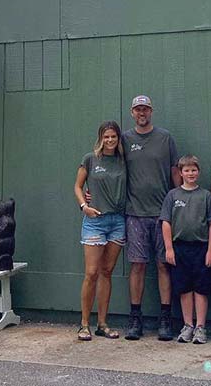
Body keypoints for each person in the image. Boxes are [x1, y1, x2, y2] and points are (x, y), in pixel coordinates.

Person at [122, 95, 181, 341]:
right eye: (137, 109)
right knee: (137, 265)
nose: (141, 113)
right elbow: (111, 170)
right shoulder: (124, 140)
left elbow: (175, 172)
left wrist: (179, 203)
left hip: (162, 215)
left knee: (163, 265)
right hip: (134, 213)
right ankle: (135, 318)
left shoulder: (165, 138)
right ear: (132, 112)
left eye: (145, 109)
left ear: (151, 111)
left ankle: (165, 319)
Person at [74, 121, 127, 341]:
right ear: (100, 138)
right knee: (92, 272)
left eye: (113, 136)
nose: (110, 140)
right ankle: (84, 324)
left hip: (118, 221)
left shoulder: (124, 160)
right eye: (106, 137)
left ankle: (102, 324)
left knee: (106, 272)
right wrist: (83, 206)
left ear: (118, 138)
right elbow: (78, 186)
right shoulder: (90, 159)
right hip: (95, 221)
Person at [161, 155, 211, 344]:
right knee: (184, 288)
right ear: (180, 173)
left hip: (201, 248)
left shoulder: (206, 196)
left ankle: (200, 327)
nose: (190, 173)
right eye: (186, 170)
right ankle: (188, 325)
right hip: (180, 248)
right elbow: (166, 222)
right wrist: (169, 249)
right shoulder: (173, 195)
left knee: (200, 288)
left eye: (193, 170)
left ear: (198, 172)